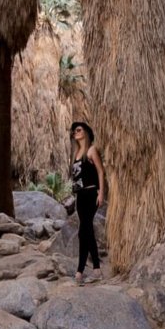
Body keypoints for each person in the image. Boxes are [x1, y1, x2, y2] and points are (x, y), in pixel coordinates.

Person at [70, 121, 105, 285]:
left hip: (91, 193)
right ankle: (95, 269)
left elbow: (100, 171)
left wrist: (101, 192)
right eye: (73, 131)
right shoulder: (76, 154)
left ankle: (80, 271)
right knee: (85, 230)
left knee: (84, 229)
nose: (75, 132)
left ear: (86, 132)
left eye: (78, 130)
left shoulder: (91, 150)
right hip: (80, 196)